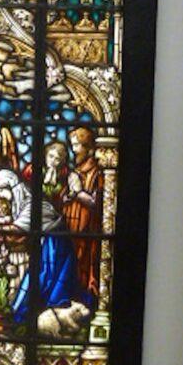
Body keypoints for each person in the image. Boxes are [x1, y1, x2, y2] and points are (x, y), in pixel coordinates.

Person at [0, 168, 86, 323]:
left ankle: (32, 317)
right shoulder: (22, 202)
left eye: (1, 190)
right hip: (47, 244)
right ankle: (26, 315)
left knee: (44, 279)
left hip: (56, 246)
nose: (0, 195)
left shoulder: (33, 205)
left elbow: (16, 230)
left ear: (11, 187)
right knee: (39, 279)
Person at [63, 127, 103, 296]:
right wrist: (68, 196)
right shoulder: (76, 171)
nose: (73, 150)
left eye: (77, 145)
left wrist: (79, 192)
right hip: (72, 226)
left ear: (88, 147)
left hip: (88, 229)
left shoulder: (98, 172)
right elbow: (65, 198)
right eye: (72, 145)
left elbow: (98, 204)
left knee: (84, 265)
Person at [23, 140, 69, 214]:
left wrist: (54, 183)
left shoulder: (63, 173)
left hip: (52, 210)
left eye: (57, 159)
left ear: (61, 161)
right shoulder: (32, 169)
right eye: (51, 156)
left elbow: (59, 196)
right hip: (30, 206)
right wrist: (44, 181)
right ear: (45, 155)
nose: (52, 161)